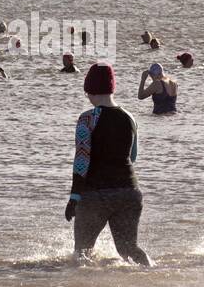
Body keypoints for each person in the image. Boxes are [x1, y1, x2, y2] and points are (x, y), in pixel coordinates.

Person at [64, 63, 152, 266]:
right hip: (129, 192)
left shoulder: (87, 118)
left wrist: (74, 197)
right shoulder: (130, 117)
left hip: (95, 194)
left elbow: (82, 160)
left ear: (90, 90)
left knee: (82, 254)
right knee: (129, 249)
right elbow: (133, 156)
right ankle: (152, 272)